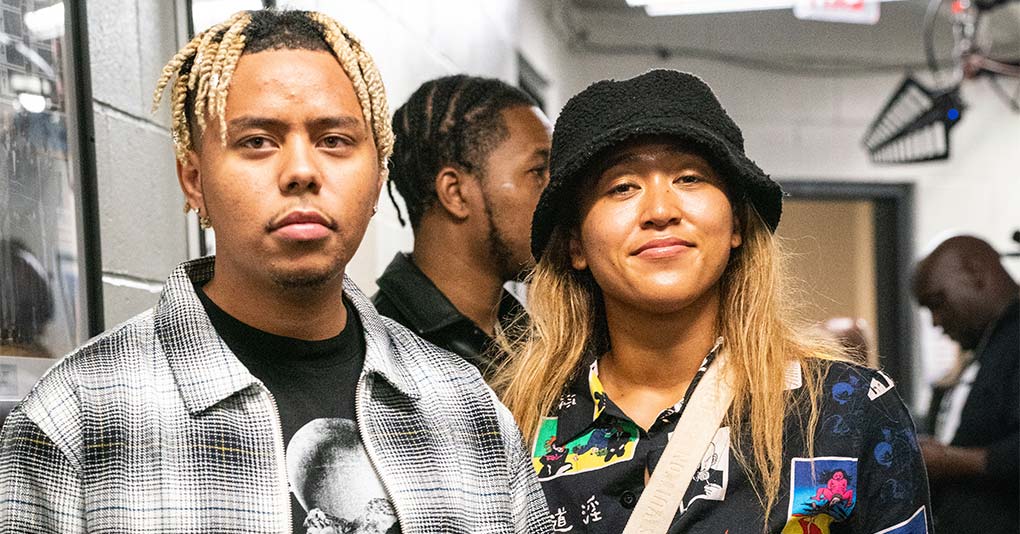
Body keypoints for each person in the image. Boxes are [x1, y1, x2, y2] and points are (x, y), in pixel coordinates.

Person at [0, 10, 547, 533]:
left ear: (378, 176)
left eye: (334, 141)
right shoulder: (76, 420)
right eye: (257, 142)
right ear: (194, 180)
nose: (302, 171)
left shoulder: (465, 406)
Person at [496, 69, 931, 533]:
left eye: (689, 178)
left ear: (737, 226)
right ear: (575, 246)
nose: (661, 211)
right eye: (621, 187)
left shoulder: (845, 410)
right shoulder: (512, 425)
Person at [373, 75, 552, 378]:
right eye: (538, 172)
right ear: (455, 193)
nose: (556, 191)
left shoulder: (523, 333)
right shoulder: (384, 352)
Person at [912, 234, 1019, 534]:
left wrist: (953, 461)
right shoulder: (987, 345)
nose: (935, 321)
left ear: (975, 273)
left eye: (937, 302)